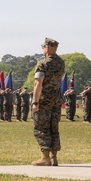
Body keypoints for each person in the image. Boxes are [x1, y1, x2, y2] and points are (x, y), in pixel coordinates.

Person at [31, 38, 66, 166]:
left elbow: (37, 83)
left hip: (44, 100)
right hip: (56, 99)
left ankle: (45, 157)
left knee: (41, 127)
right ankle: (54, 157)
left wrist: (35, 102)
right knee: (54, 127)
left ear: (46, 48)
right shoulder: (61, 63)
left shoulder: (43, 64)